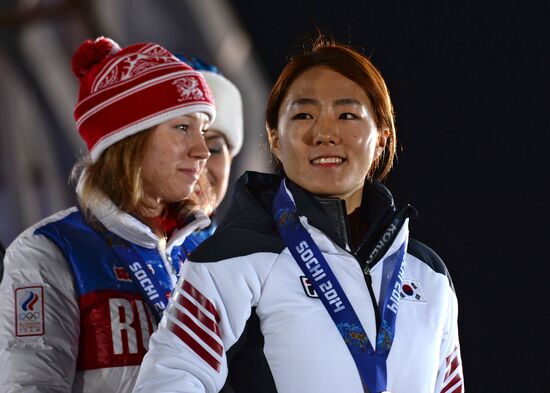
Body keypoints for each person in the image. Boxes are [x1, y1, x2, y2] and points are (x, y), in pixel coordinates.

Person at [134, 36, 464, 393]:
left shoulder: (427, 274)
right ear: (275, 138)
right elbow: (168, 382)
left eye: (347, 114)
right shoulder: (231, 260)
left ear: (381, 137)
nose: (324, 133)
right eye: (303, 114)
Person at [0, 36, 216, 392]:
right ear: (129, 138)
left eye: (203, 130)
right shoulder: (52, 250)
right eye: (182, 127)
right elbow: (30, 385)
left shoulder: (210, 245)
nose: (202, 150)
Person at [174, 55, 244, 252]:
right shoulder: (90, 239)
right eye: (183, 135)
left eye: (214, 148)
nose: (201, 158)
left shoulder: (239, 263)